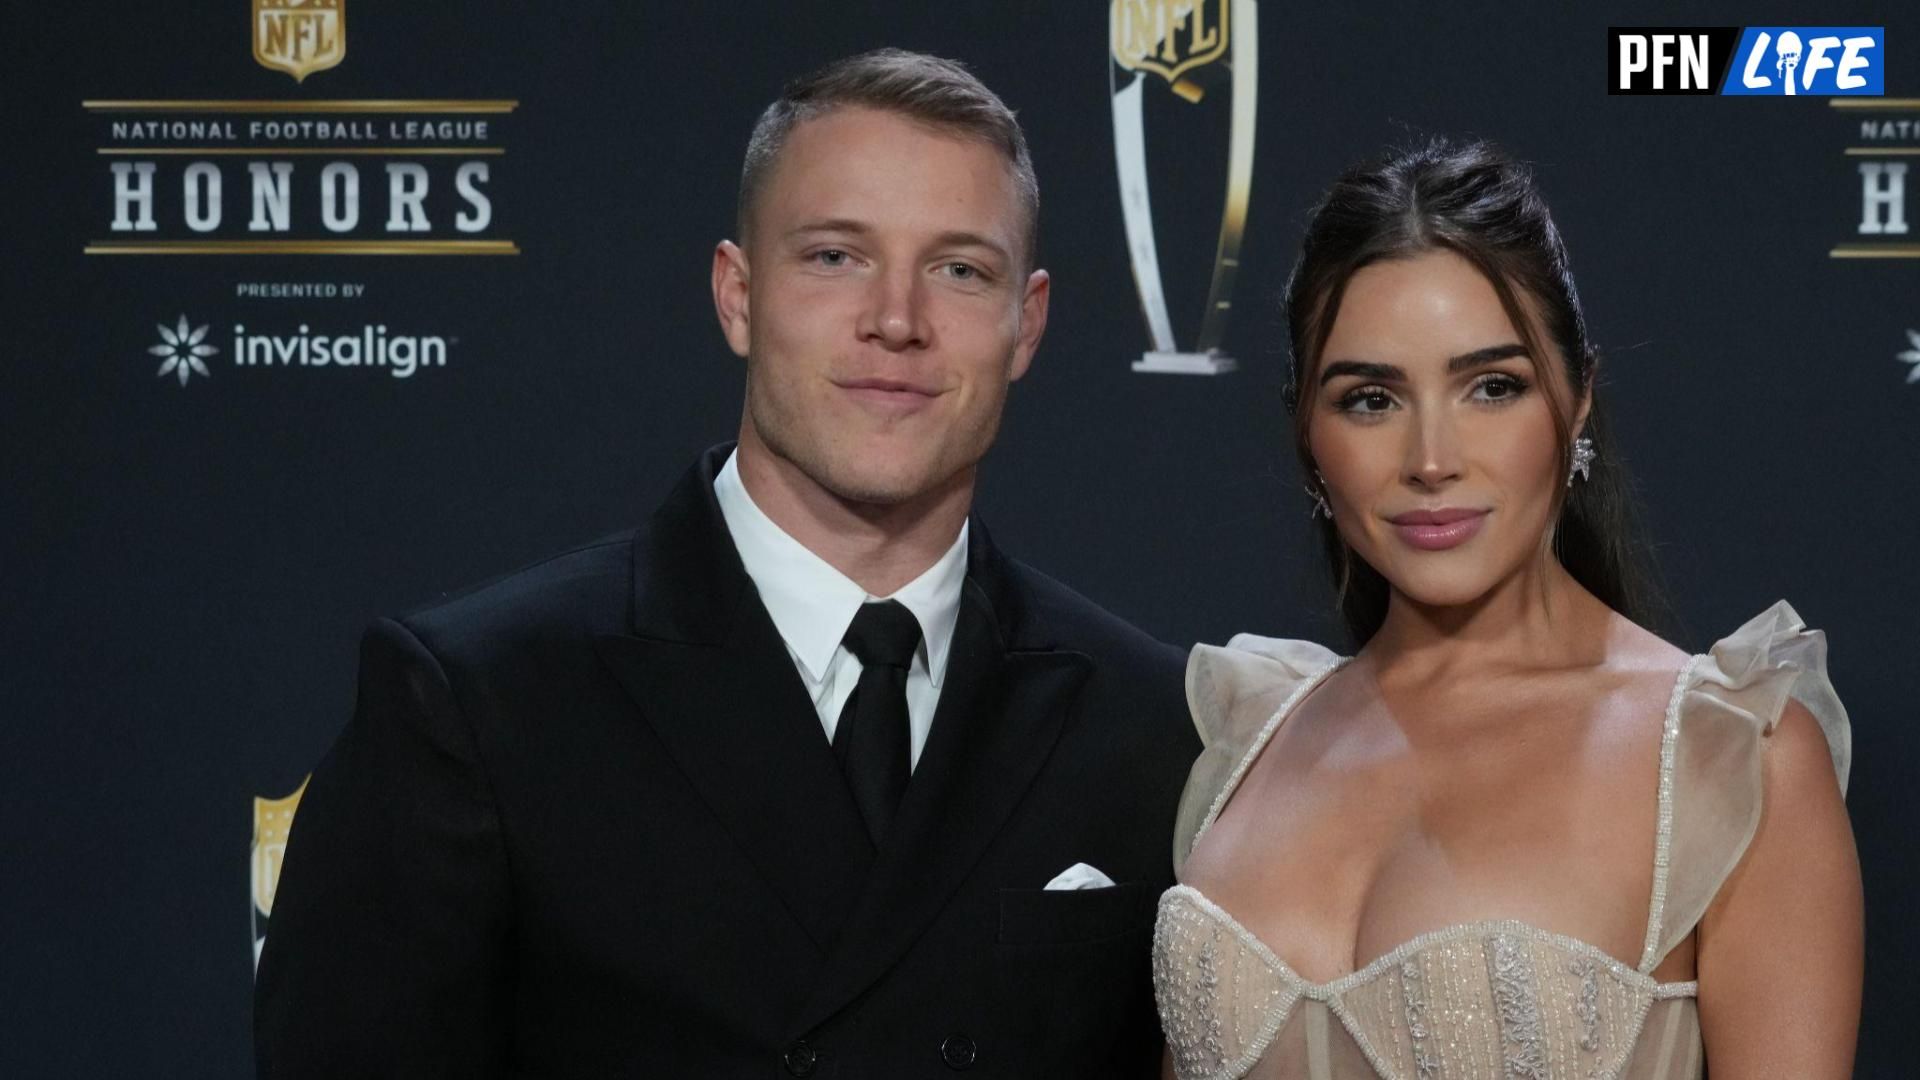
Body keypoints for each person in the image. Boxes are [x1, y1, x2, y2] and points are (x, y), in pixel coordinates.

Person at [255, 49, 1197, 1078]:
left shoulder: (1149, 725)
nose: (896, 320)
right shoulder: (482, 703)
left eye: (960, 270)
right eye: (835, 257)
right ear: (737, 295)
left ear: (1029, 323)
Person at [1151, 140, 1860, 1079]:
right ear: (1309, 436)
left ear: (1576, 405)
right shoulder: (1249, 738)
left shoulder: (1727, 753)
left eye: (1492, 387)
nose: (1433, 457)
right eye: (1370, 399)